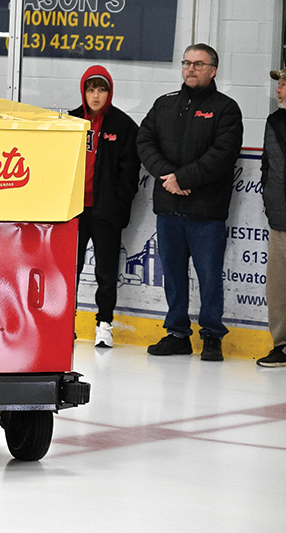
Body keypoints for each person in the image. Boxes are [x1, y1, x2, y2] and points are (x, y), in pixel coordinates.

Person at [137, 43, 243, 361]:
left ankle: (211, 335)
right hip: (169, 208)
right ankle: (177, 334)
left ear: (213, 70)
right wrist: (168, 176)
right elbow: (145, 140)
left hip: (205, 211)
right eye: (186, 63)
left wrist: (184, 179)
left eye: (198, 64)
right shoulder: (164, 104)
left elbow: (222, 155)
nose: (190, 69)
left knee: (209, 276)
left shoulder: (226, 109)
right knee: (173, 274)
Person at [70, 65, 140, 348]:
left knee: (106, 271)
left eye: (101, 90)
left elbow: (129, 173)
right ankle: (67, 324)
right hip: (74, 211)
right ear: (83, 92)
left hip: (105, 211)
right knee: (69, 269)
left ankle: (104, 324)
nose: (95, 96)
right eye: (90, 89)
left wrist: (118, 204)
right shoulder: (71, 122)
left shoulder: (123, 126)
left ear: (109, 93)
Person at [256, 68, 286, 367]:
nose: (279, 90)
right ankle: (282, 346)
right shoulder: (274, 121)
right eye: (279, 83)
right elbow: (267, 165)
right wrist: (269, 197)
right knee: (277, 290)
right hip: (280, 220)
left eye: (285, 84)